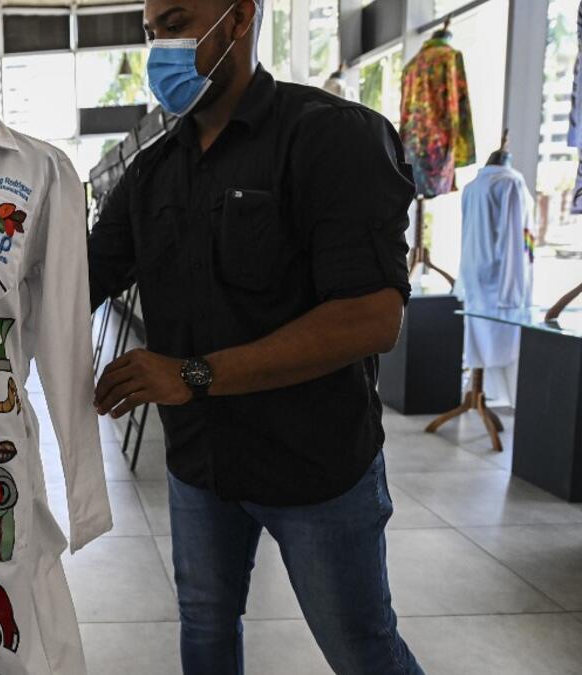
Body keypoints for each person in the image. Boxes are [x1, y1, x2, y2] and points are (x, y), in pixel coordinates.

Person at [88, 1, 424, 673]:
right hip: (202, 469)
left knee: (362, 648)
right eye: (152, 31)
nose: (161, 47)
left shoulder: (332, 138)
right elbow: (74, 282)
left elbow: (369, 317)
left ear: (239, 18)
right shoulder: (153, 173)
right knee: (207, 630)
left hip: (314, 468)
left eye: (177, 23)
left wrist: (190, 375)